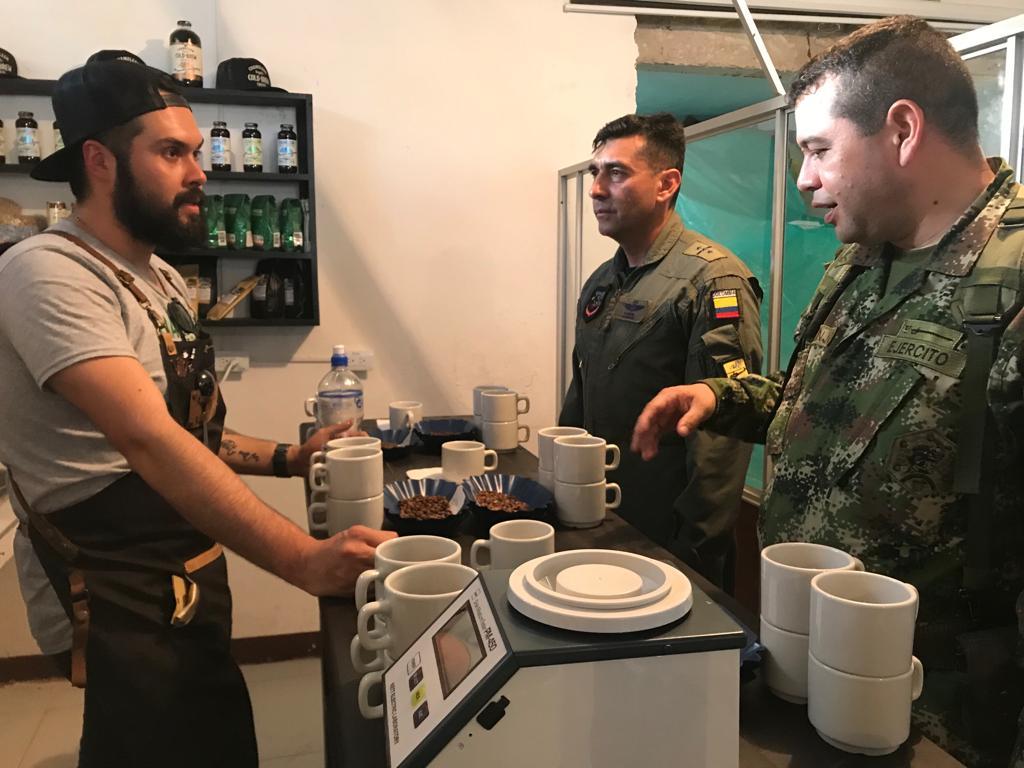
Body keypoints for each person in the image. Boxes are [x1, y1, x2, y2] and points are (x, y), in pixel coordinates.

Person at [631, 17, 1024, 766]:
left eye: (818, 151)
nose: (804, 180)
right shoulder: (861, 261)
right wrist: (721, 398)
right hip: (805, 673)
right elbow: (817, 407)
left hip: (936, 717)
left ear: (902, 129)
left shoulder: (1012, 282)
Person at [0, 59, 394, 767]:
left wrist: (288, 458)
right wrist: (301, 560)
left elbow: (189, 429)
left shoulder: (156, 278)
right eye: (171, 152)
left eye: (199, 152)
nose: (200, 173)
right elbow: (146, 440)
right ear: (99, 160)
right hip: (111, 585)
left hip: (178, 569)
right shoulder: (47, 272)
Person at [558, 113, 763, 589]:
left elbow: (721, 437)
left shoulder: (712, 280)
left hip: (669, 544)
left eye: (617, 172)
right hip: (604, 524)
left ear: (667, 183)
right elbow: (581, 398)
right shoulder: (602, 283)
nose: (595, 189)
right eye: (595, 173)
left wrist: (694, 548)